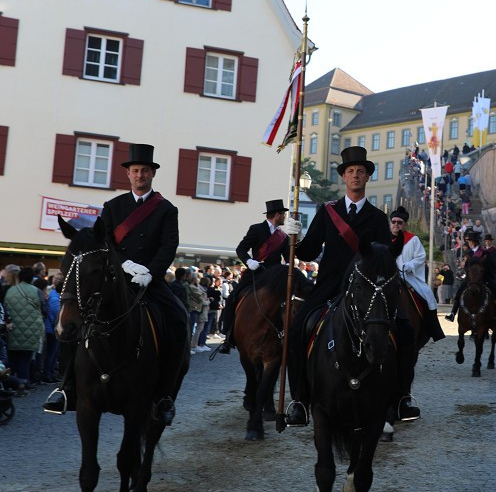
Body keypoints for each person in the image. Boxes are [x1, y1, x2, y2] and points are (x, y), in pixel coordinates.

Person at [44, 143, 188, 426]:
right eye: (135, 171)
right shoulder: (113, 206)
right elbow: (104, 241)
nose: (140, 175)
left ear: (152, 174)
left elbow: (169, 245)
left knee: (179, 322)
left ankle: (165, 395)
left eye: (144, 171)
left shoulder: (167, 209)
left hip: (149, 280)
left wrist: (151, 272)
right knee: (76, 320)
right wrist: (123, 264)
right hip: (113, 277)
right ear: (129, 174)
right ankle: (66, 387)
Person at [286, 145, 400, 426]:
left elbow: (383, 256)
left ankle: (399, 398)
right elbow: (310, 252)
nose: (356, 176)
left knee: (404, 331)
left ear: (367, 177)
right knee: (298, 329)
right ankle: (300, 399)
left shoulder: (376, 217)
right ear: (344, 178)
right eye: (351, 171)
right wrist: (295, 238)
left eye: (361, 171)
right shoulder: (328, 212)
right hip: (329, 286)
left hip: (366, 291)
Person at [217, 199, 290, 353]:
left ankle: (286, 336)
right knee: (232, 299)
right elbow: (241, 248)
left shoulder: (284, 236)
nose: (284, 217)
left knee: (289, 303)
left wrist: (291, 262)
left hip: (274, 277)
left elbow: (288, 256)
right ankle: (228, 337)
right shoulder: (256, 229)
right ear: (277, 215)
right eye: (283, 214)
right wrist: (248, 261)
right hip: (255, 272)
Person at [389, 206, 444, 342]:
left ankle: (431, 328)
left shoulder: (413, 240)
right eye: (394, 221)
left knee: (427, 296)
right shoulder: (384, 239)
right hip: (388, 276)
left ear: (405, 224)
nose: (396, 224)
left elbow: (420, 257)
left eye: (399, 222)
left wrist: (408, 266)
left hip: (408, 276)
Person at [445, 233, 496, 322]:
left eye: (469, 241)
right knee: (460, 290)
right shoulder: (470, 253)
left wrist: (481, 271)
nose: (468, 243)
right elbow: (467, 266)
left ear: (473, 242)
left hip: (485, 276)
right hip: (471, 277)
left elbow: (491, 264)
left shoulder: (484, 252)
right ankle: (453, 313)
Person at [4, 265, 45, 392]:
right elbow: (44, 308)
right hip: (32, 330)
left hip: (12, 329)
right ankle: (22, 383)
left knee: (11, 358)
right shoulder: (36, 290)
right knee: (25, 359)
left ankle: (9, 383)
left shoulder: (10, 290)